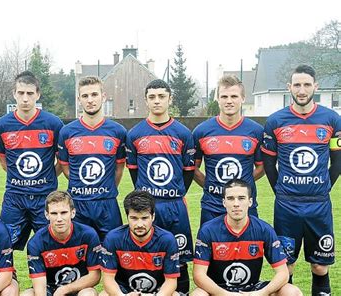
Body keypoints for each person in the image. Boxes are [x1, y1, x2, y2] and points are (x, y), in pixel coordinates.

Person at [262, 64, 341, 295]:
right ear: (290, 88)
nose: (302, 89)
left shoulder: (331, 119)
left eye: (307, 84)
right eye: (297, 85)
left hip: (319, 204)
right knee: (286, 266)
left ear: (315, 87)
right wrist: (280, 190)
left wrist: (325, 186)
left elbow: (337, 161)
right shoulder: (276, 121)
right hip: (287, 205)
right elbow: (269, 163)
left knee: (320, 265)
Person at [126, 79, 194, 294]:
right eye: (152, 97)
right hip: (147, 208)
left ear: (169, 99)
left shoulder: (183, 134)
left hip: (174, 207)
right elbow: (134, 172)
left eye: (161, 96)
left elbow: (188, 173)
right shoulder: (135, 134)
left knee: (180, 260)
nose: (157, 101)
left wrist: (175, 192)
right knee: (146, 255)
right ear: (146, 101)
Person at [192, 179, 302, 295]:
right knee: (198, 294)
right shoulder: (208, 230)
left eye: (241, 198)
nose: (236, 203)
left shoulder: (264, 229)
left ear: (250, 202)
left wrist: (262, 293)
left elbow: (283, 273)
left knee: (291, 292)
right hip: (219, 290)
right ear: (224, 203)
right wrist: (226, 294)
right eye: (230, 198)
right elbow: (198, 275)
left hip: (253, 289)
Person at [0, 71, 64, 250]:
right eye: (21, 93)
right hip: (15, 197)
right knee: (3, 244)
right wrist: (24, 179)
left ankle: (51, 279)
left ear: (38, 94)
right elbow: (4, 163)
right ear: (14, 94)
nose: (25, 98)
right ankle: (9, 279)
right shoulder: (1, 125)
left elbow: (62, 161)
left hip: (45, 197)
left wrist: (45, 176)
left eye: (30, 93)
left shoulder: (54, 124)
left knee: (51, 246)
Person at [58, 76, 126, 240]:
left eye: (94, 95)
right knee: (79, 257)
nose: (90, 100)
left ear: (103, 96)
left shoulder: (118, 132)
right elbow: (67, 168)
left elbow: (119, 168)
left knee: (111, 254)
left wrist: (104, 188)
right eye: (85, 96)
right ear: (79, 99)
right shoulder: (67, 132)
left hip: (107, 204)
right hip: (78, 204)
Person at [193, 74, 264, 225]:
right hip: (212, 206)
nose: (229, 101)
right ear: (217, 99)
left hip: (245, 207)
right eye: (224, 96)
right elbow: (193, 168)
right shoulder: (201, 131)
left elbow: (262, 167)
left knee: (249, 248)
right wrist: (211, 184)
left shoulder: (256, 131)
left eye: (234, 96)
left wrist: (242, 185)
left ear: (243, 98)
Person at [100, 190, 180, 296]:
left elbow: (171, 281)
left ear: (153, 217)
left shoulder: (167, 240)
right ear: (127, 217)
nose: (139, 224)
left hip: (156, 292)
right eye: (134, 218)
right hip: (125, 292)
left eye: (144, 218)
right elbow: (108, 280)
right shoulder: (113, 238)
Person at [23, 191, 101, 296]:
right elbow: (39, 285)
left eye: (64, 213)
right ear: (47, 215)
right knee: (27, 294)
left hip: (78, 287)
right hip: (49, 288)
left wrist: (65, 289)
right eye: (54, 213)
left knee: (89, 293)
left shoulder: (88, 234)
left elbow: (95, 276)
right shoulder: (36, 242)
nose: (59, 219)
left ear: (73, 213)